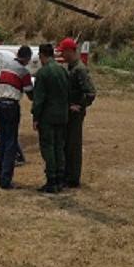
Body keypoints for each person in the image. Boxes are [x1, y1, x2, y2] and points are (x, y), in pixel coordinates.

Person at [31, 43, 69, 194]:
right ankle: (60, 178)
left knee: (48, 147)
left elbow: (39, 98)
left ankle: (51, 180)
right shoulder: (63, 70)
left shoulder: (43, 73)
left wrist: (35, 116)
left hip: (48, 116)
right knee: (59, 147)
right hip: (62, 115)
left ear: (41, 55)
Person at [58, 38, 97, 189]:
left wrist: (79, 106)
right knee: (68, 145)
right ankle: (68, 175)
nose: (63, 55)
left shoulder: (79, 69)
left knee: (73, 146)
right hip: (70, 112)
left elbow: (91, 92)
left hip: (75, 114)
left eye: (64, 52)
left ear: (70, 51)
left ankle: (73, 178)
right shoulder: (72, 67)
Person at [0, 45, 34, 190]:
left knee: (2, 141)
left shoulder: (5, 65)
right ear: (27, 58)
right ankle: (6, 180)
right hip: (12, 106)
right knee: (11, 143)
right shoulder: (23, 71)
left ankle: (1, 177)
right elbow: (30, 93)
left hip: (0, 104)